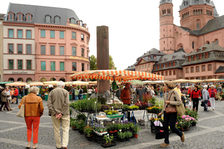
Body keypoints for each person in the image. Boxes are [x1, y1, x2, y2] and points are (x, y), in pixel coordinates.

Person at [159, 82, 185, 148]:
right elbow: (165, 104)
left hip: (173, 112)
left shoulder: (174, 92)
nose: (163, 87)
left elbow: (179, 102)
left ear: (168, 86)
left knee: (172, 127)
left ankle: (181, 134)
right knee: (165, 127)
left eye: (164, 86)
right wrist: (162, 112)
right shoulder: (165, 93)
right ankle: (166, 141)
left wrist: (170, 102)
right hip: (166, 112)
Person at [47, 81, 70, 149]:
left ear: (57, 85)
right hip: (65, 113)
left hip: (54, 114)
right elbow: (67, 104)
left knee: (56, 130)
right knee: (65, 129)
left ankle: (58, 145)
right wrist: (61, 113)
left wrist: (55, 113)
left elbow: (49, 104)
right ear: (63, 86)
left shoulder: (52, 92)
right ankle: (64, 145)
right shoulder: (66, 92)